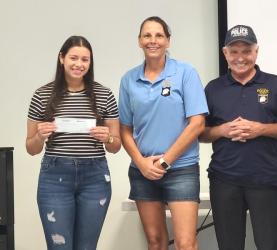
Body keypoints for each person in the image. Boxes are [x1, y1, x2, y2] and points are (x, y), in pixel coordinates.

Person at [200, 24, 277, 250]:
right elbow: (201, 133)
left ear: (256, 51)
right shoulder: (213, 89)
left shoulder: (275, 84)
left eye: (246, 51)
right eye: (234, 52)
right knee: (229, 245)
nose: (240, 57)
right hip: (224, 180)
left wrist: (260, 129)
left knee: (270, 245)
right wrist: (222, 130)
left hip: (265, 180)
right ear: (225, 53)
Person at [118, 16, 207, 250]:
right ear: (139, 41)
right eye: (147, 35)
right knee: (156, 243)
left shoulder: (185, 73)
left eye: (159, 35)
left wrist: (165, 161)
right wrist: (141, 163)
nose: (153, 40)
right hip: (143, 171)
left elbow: (197, 123)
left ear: (168, 41)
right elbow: (125, 130)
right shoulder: (129, 80)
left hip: (181, 169)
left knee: (185, 243)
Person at [25, 35, 121, 250]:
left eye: (85, 60)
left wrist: (109, 137)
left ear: (91, 62)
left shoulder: (104, 94)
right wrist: (40, 136)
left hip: (95, 176)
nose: (79, 64)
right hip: (54, 176)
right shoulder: (42, 95)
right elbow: (31, 148)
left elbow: (115, 146)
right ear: (62, 58)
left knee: (87, 247)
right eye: (74, 58)